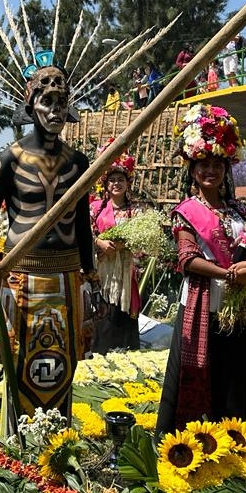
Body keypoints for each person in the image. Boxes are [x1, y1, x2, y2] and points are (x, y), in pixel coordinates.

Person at [0, 59, 97, 429]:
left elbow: (83, 226)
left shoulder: (79, 162)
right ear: (31, 105)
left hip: (65, 277)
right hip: (20, 275)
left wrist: (92, 278)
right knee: (19, 356)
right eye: (47, 102)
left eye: (62, 103)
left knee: (63, 361)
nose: (55, 111)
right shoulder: (9, 159)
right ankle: (15, 441)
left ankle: (56, 439)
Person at [157, 104, 246, 434]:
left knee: (235, 381)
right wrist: (229, 274)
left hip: (237, 310)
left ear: (226, 169)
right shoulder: (186, 211)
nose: (210, 171)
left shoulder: (239, 209)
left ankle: (236, 444)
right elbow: (187, 259)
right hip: (203, 306)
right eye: (203, 165)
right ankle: (182, 447)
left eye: (217, 165)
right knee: (193, 376)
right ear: (192, 171)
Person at [90, 148, 142, 353]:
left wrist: (120, 245)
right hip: (102, 270)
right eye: (112, 180)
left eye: (120, 179)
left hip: (125, 271)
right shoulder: (95, 209)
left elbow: (140, 238)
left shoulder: (135, 210)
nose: (116, 184)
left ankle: (126, 350)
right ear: (106, 184)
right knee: (103, 310)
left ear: (127, 183)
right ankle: (99, 352)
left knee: (123, 308)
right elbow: (85, 234)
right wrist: (99, 243)